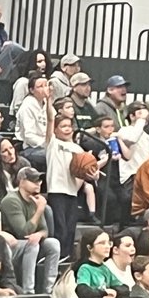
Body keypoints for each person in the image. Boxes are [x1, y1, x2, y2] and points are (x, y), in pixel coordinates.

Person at [1, 167, 61, 294]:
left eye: (39, 181)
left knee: (53, 244)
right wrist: (39, 210)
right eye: (34, 181)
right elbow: (23, 232)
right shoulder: (11, 200)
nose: (38, 184)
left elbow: (45, 231)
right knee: (32, 245)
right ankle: (29, 291)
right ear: (22, 182)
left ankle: (49, 290)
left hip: (29, 243)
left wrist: (39, 235)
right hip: (11, 246)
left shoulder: (36, 200)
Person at [45, 104, 91, 260]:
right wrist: (48, 99)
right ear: (56, 129)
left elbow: (85, 170)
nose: (67, 129)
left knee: (71, 230)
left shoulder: (78, 149)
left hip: (72, 192)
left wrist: (93, 172)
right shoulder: (52, 144)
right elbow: (50, 118)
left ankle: (67, 260)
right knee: (60, 229)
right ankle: (57, 259)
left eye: (69, 126)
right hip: (56, 191)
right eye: (62, 126)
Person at [73, 230, 127, 298]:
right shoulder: (85, 268)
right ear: (89, 248)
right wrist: (105, 292)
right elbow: (82, 290)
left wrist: (114, 292)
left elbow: (125, 288)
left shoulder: (105, 269)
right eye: (102, 243)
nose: (107, 246)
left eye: (108, 243)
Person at [15, 73, 51, 169]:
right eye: (40, 86)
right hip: (31, 147)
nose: (44, 89)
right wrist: (47, 145)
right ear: (31, 90)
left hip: (49, 144)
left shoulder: (47, 102)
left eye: (46, 85)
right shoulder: (27, 105)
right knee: (53, 156)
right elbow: (29, 136)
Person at [0, 138, 32, 204]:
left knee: (47, 209)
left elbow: (31, 187)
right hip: (5, 204)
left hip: (24, 200)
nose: (10, 153)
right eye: (5, 151)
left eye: (11, 148)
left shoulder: (23, 163)